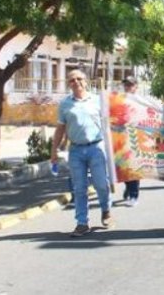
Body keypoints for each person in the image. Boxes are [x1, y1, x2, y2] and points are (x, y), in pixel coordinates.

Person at [51, 69, 112, 237]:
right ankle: (82, 223)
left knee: (101, 184)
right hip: (76, 150)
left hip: (96, 148)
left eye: (79, 79)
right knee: (79, 188)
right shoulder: (65, 104)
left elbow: (110, 124)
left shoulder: (98, 100)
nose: (76, 82)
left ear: (85, 81)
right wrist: (54, 150)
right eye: (72, 80)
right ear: (68, 84)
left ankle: (106, 208)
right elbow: (60, 129)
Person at [121, 76, 141, 207]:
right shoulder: (120, 99)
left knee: (134, 167)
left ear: (136, 86)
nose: (128, 87)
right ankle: (128, 187)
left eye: (130, 85)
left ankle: (134, 194)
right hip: (121, 137)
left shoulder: (141, 101)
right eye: (126, 85)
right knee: (123, 167)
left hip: (137, 137)